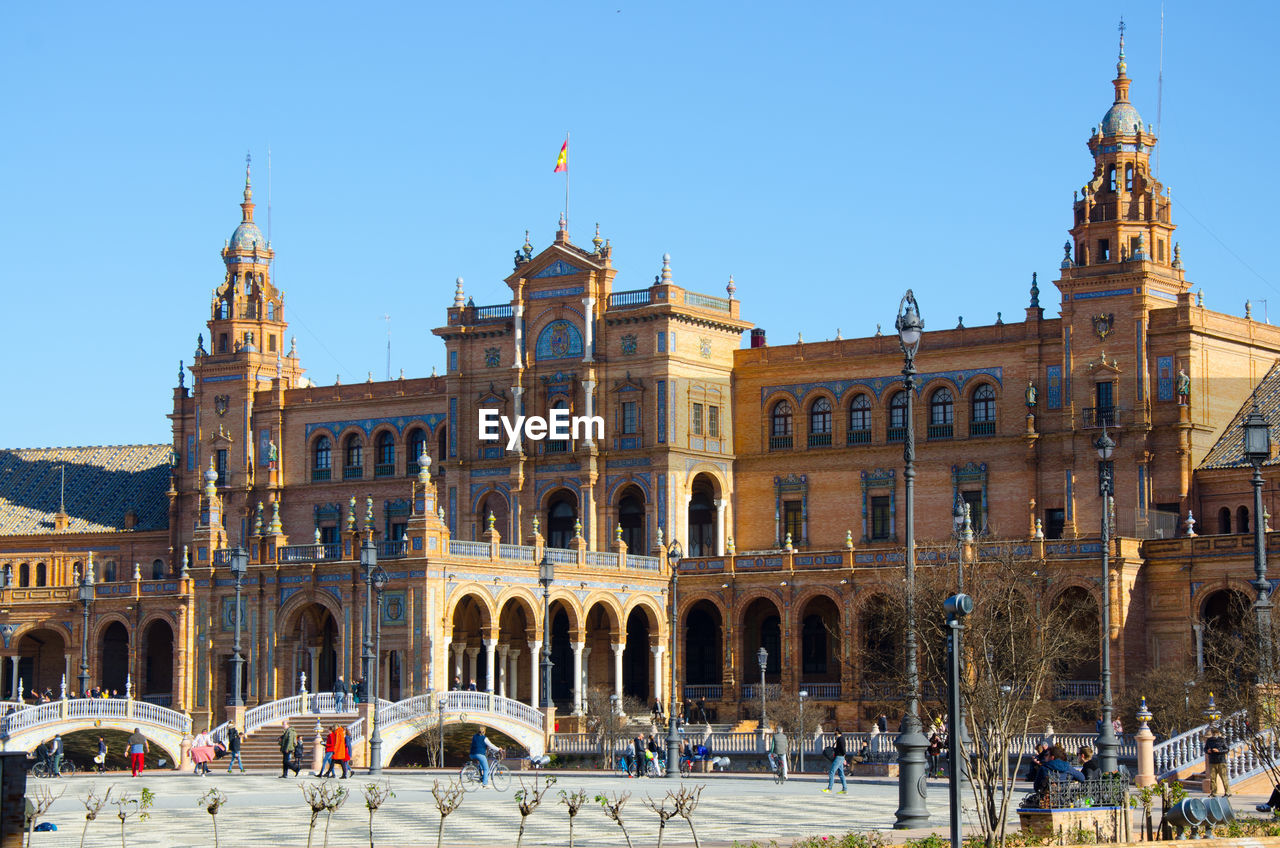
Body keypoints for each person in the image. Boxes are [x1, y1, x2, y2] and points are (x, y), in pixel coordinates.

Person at [1204, 727, 1230, 797]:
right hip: (1212, 761)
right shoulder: (1209, 740)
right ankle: (1213, 792)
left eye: (1215, 733)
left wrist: (1219, 751)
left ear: (1218, 733)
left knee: (1224, 777)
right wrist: (1208, 751)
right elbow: (1205, 749)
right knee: (1212, 778)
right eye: (1213, 733)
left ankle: (1227, 792)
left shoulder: (1222, 740)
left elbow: (1227, 749)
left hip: (1221, 761)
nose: (1214, 734)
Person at [823, 729, 848, 794]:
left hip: (839, 757)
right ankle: (844, 789)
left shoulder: (840, 739)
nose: (834, 733)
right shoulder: (840, 739)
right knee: (841, 773)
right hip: (840, 757)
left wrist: (843, 757)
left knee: (831, 772)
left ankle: (829, 788)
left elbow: (843, 749)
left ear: (837, 732)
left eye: (835, 731)